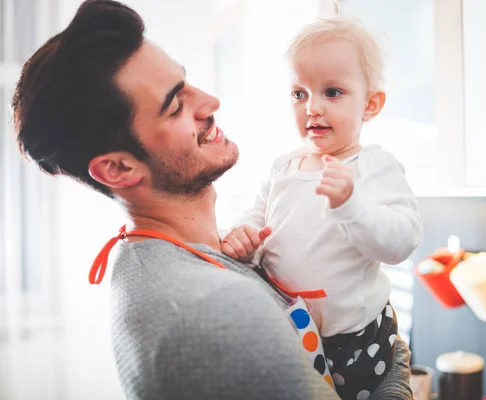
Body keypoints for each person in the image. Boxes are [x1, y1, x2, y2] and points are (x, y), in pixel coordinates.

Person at [12, 1, 413, 399]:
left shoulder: (165, 257)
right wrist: (398, 366)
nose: (210, 102)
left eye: (186, 82)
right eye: (175, 106)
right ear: (117, 169)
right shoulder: (215, 312)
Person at [221, 18, 422, 400]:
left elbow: (402, 241)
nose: (312, 108)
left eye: (332, 92)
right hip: (293, 338)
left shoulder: (373, 168)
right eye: (299, 93)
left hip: (359, 349)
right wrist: (244, 237)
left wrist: (351, 205)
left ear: (371, 104)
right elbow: (257, 216)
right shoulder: (283, 167)